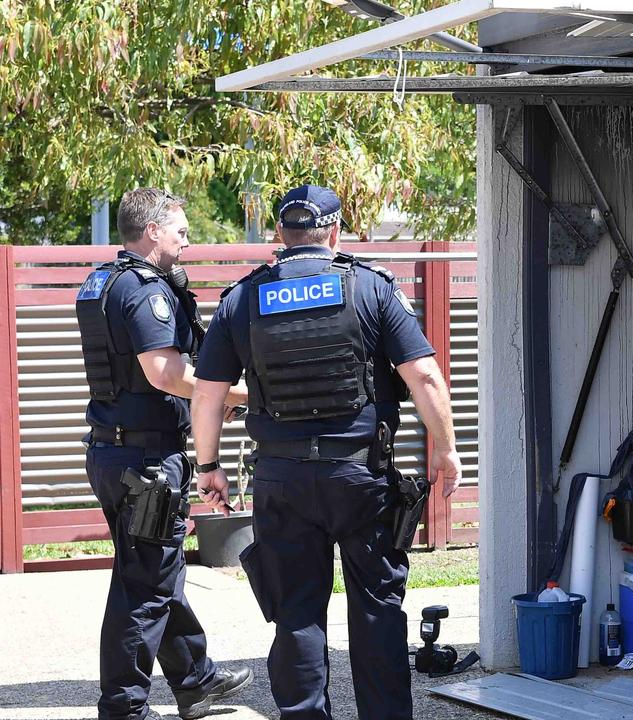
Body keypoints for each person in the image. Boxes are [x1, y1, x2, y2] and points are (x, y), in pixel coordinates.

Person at [190, 185, 462, 720]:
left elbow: (207, 392)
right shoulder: (371, 288)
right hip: (360, 474)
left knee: (295, 612)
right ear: (334, 232)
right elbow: (425, 375)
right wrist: (446, 450)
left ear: (278, 235)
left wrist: (208, 466)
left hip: (282, 480)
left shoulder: (243, 298)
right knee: (377, 608)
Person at [75, 188, 253, 720]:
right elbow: (164, 372)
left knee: (155, 569)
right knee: (144, 584)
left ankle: (195, 680)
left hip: (112, 453)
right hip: (148, 464)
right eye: (180, 229)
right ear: (152, 230)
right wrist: (233, 394)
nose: (187, 239)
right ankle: (124, 707)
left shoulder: (101, 280)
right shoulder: (145, 289)